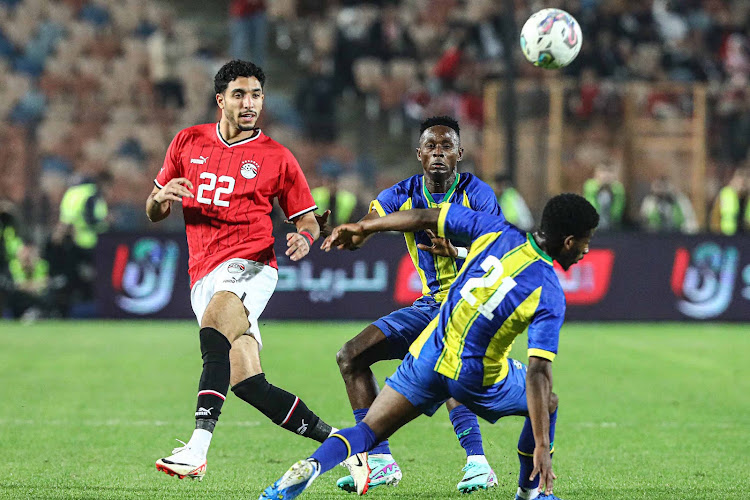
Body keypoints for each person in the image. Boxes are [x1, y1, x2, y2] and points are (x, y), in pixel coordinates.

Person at [260, 193, 599, 500]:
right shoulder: (549, 290)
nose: (586, 250)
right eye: (586, 242)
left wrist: (364, 227)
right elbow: (539, 372)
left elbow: (424, 216)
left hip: (428, 355)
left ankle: (310, 468)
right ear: (568, 242)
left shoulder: (495, 229)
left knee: (366, 432)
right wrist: (541, 444)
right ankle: (531, 494)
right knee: (548, 403)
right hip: (476, 375)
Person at [148, 59, 337, 481]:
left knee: (214, 329)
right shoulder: (186, 142)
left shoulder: (277, 157)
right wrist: (162, 198)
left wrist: (305, 237)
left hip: (251, 265)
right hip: (203, 272)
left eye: (256, 95)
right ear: (220, 100)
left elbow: (306, 217)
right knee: (248, 383)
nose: (249, 103)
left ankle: (196, 450)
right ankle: (344, 443)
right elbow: (153, 208)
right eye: (239, 94)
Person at [334, 116, 503, 494]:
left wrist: (458, 250)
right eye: (431, 146)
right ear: (419, 154)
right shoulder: (403, 193)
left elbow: (501, 253)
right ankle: (379, 461)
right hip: (429, 305)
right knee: (351, 356)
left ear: (460, 153)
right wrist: (352, 234)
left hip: (473, 304)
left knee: (447, 364)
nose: (438, 152)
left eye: (446, 146)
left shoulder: (478, 194)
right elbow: (368, 224)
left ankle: (478, 463)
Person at [582, 162, 625, 231]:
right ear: (596, 174)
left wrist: (610, 187)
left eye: (609, 172)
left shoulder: (617, 187)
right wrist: (600, 185)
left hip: (612, 223)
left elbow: (618, 208)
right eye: (603, 172)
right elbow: (590, 202)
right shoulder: (590, 184)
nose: (606, 175)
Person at [710, 167, 749, 235]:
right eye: (740, 180)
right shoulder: (726, 193)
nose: (742, 184)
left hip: (740, 234)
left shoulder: (744, 197)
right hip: (724, 234)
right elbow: (716, 215)